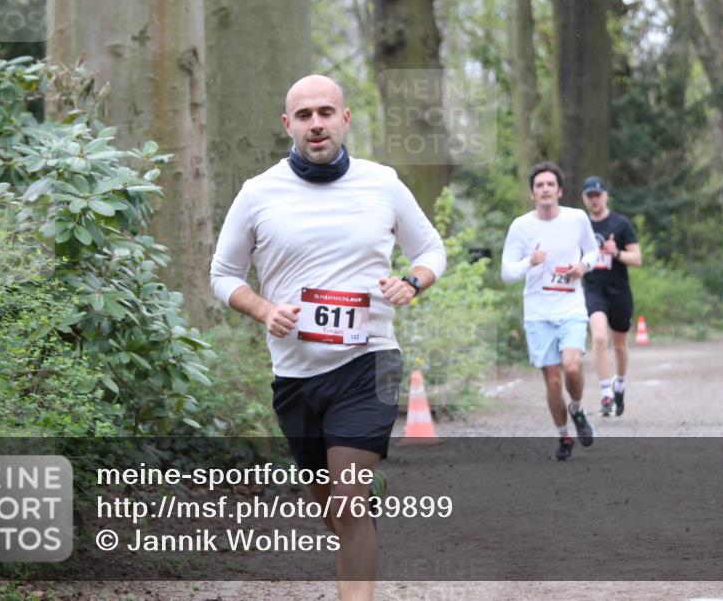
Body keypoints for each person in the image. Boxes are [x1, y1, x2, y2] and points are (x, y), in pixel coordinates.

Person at [210, 74, 446, 601]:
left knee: (345, 500)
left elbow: (432, 249)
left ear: (345, 118)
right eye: (303, 115)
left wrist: (411, 282)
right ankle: (361, 514)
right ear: (287, 124)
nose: (315, 124)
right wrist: (264, 308)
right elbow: (222, 274)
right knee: (336, 508)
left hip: (370, 363)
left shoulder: (382, 183)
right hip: (295, 375)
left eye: (325, 112)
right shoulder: (258, 193)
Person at [501, 162, 600, 461]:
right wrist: (529, 262)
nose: (545, 189)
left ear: (559, 191)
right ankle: (564, 436)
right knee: (553, 380)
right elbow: (507, 272)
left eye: (549, 185)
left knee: (571, 366)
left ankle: (578, 410)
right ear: (532, 194)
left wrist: (584, 265)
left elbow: (593, 250)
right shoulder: (521, 226)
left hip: (570, 306)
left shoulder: (576, 218)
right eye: (539, 185)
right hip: (537, 313)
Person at [580, 176, 642, 417]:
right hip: (593, 289)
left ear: (606, 195)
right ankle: (606, 393)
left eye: (598, 195)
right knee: (599, 339)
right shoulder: (581, 225)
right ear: (585, 199)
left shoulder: (621, 224)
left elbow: (637, 259)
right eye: (590, 196)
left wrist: (617, 253)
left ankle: (620, 384)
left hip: (619, 291)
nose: (594, 200)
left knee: (620, 346)